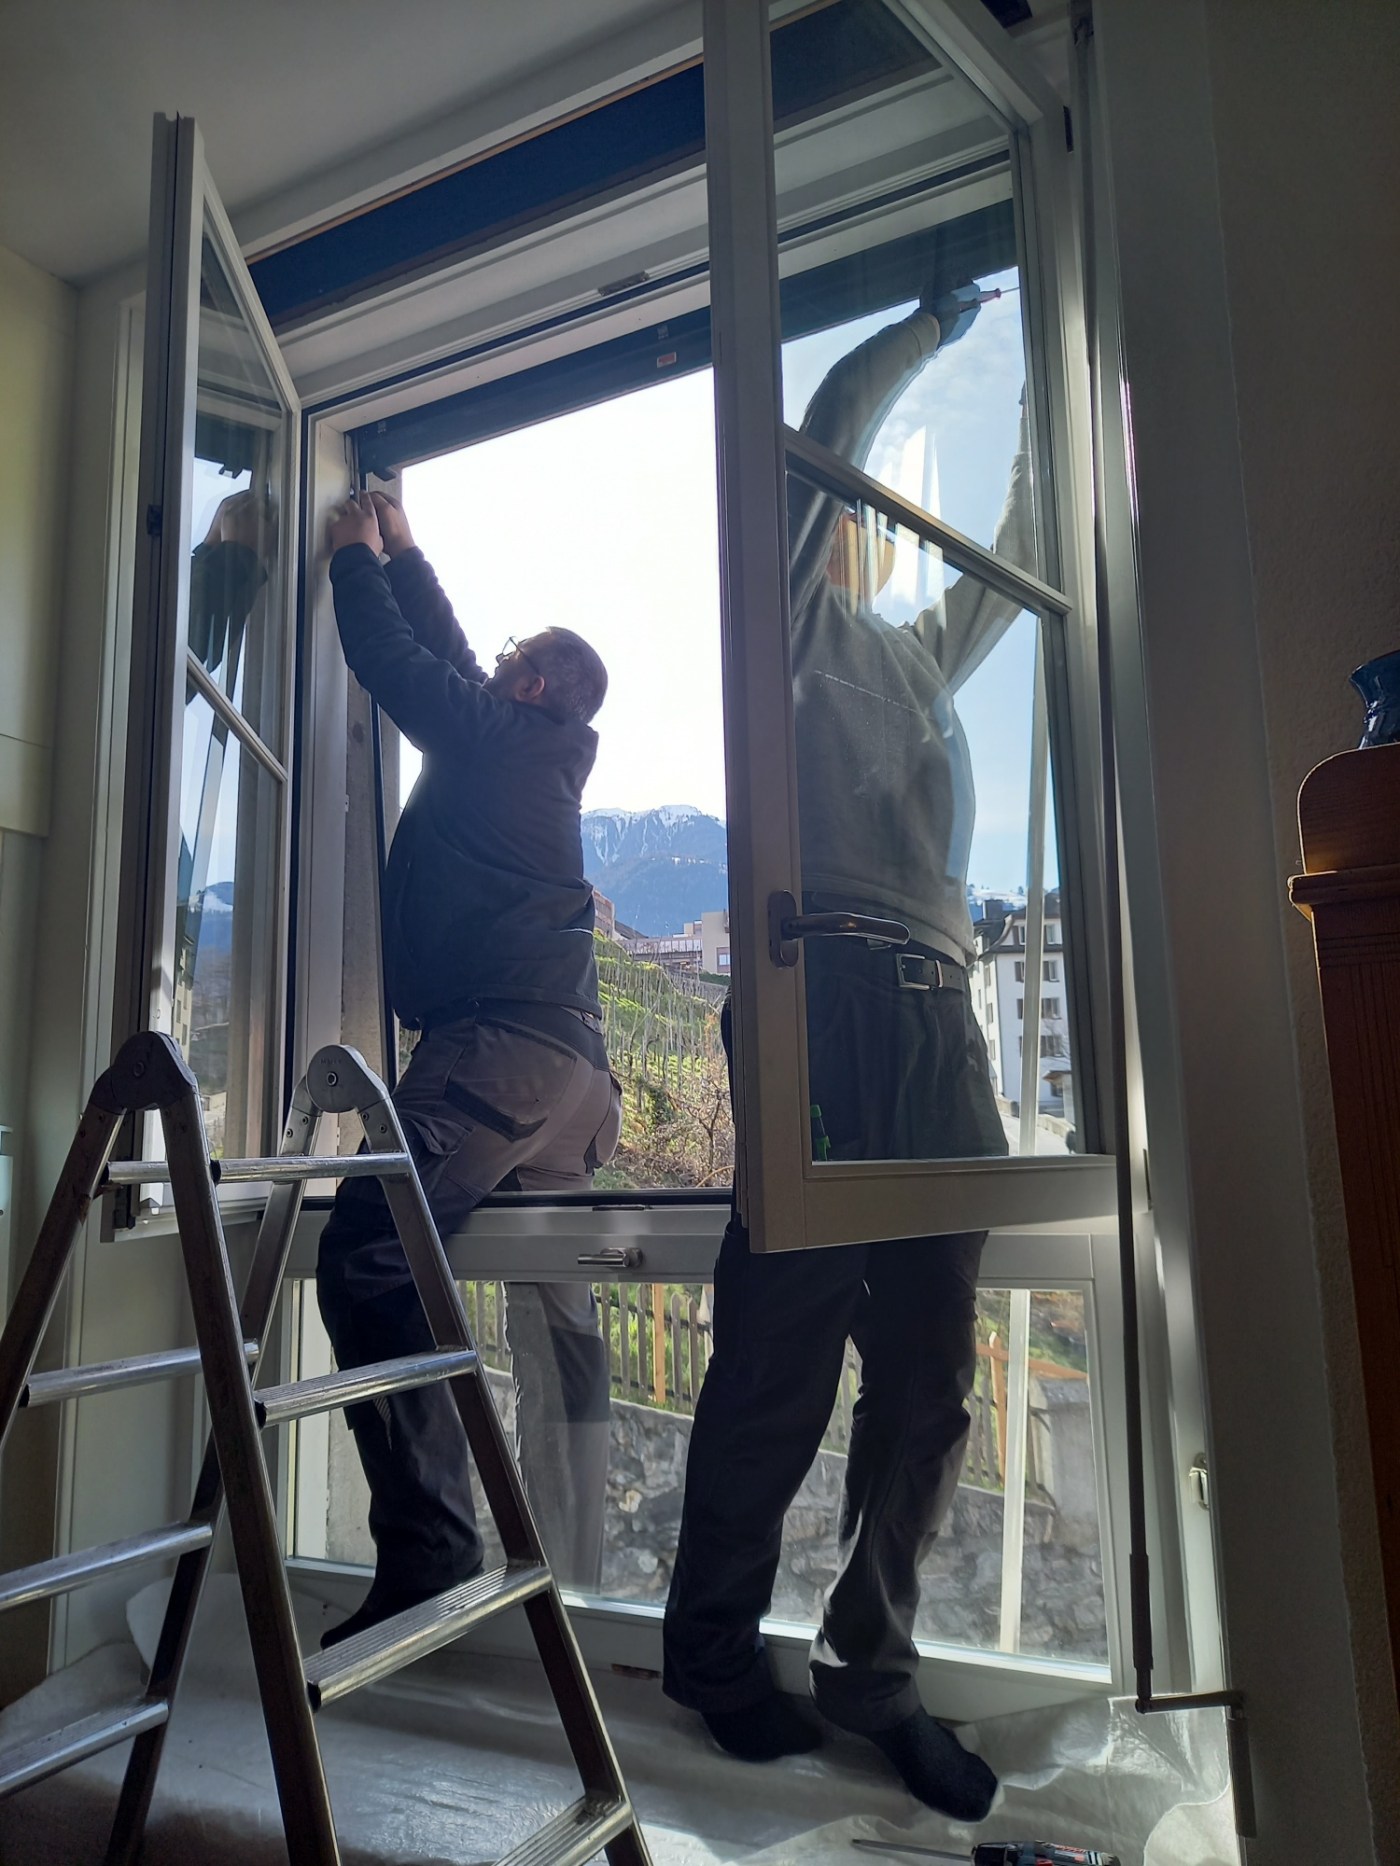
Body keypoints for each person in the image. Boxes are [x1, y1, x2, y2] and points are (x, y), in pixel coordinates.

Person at [663, 280, 1032, 1819]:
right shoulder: (791, 621)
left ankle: (872, 1670)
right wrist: (935, 326)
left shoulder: (919, 661)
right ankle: (709, 1652)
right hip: (818, 987)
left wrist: (1047, 398)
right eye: (858, 518)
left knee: (933, 1371)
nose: (869, 533)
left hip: (941, 1009)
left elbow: (1019, 556)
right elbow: (820, 435)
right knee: (782, 1346)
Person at [317, 489, 621, 1646]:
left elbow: (401, 667)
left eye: (512, 657)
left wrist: (354, 561)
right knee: (550, 1301)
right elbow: (447, 656)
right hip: (571, 1078)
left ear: (533, 684)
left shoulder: (502, 740)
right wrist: (407, 549)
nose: (492, 663)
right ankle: (577, 1568)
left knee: (367, 1254)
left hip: (500, 1053)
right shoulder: (525, 749)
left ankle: (434, 1550)